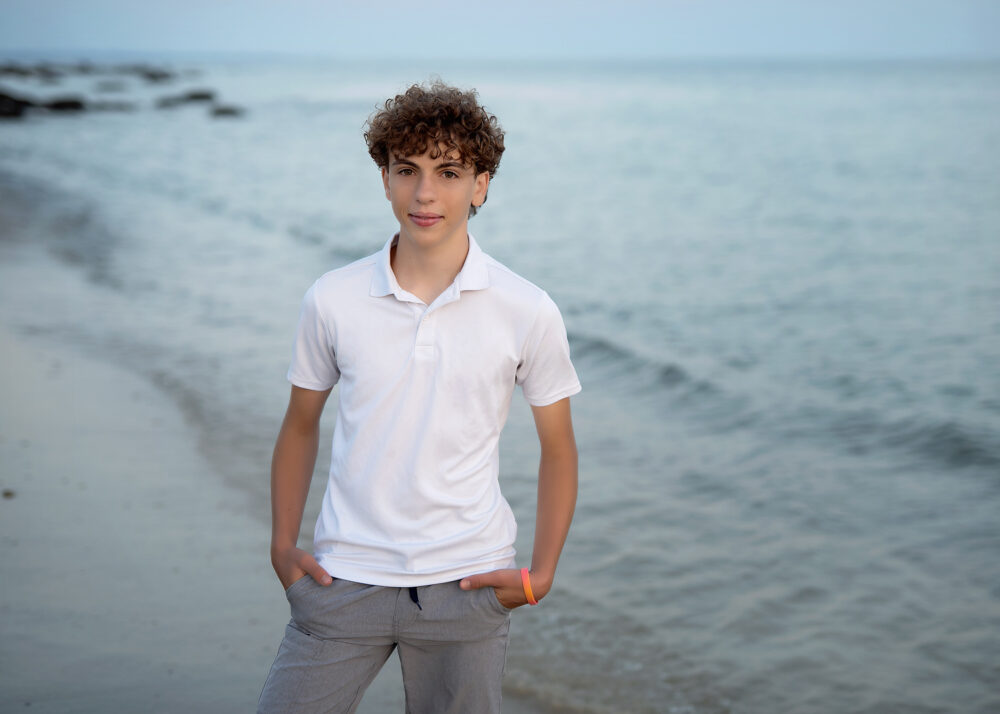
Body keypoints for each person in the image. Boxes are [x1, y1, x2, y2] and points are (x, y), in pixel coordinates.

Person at [258, 81, 581, 714]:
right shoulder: (333, 296)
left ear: (481, 185)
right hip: (342, 577)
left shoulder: (528, 309)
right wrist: (281, 544)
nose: (425, 193)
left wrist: (539, 576)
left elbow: (559, 448)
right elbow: (300, 424)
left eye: (449, 172)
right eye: (407, 170)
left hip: (467, 584)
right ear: (384, 178)